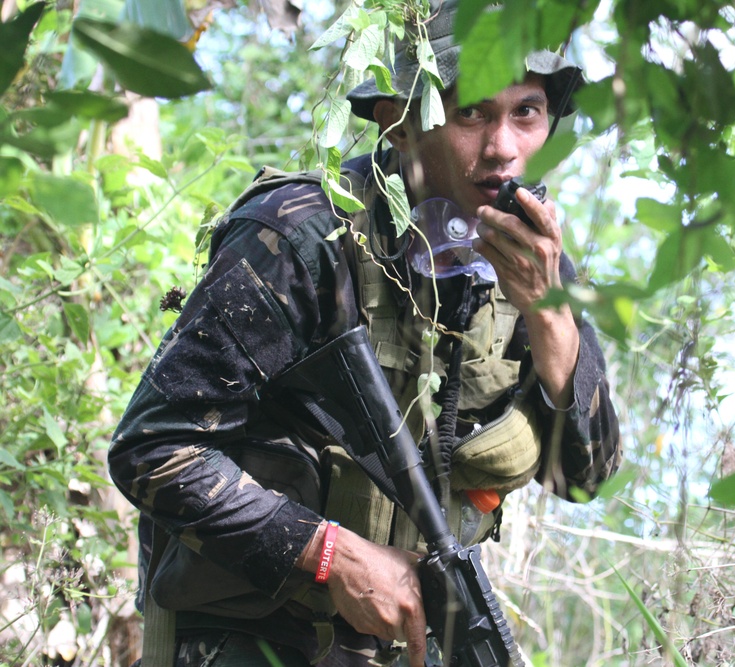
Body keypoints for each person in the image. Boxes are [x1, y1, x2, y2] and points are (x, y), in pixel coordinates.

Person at [108, 1, 621, 665]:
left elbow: (586, 475)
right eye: (472, 113)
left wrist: (550, 314)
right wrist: (330, 555)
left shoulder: (533, 261)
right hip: (257, 636)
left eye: (526, 112)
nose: (503, 147)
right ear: (401, 123)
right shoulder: (300, 233)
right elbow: (152, 448)